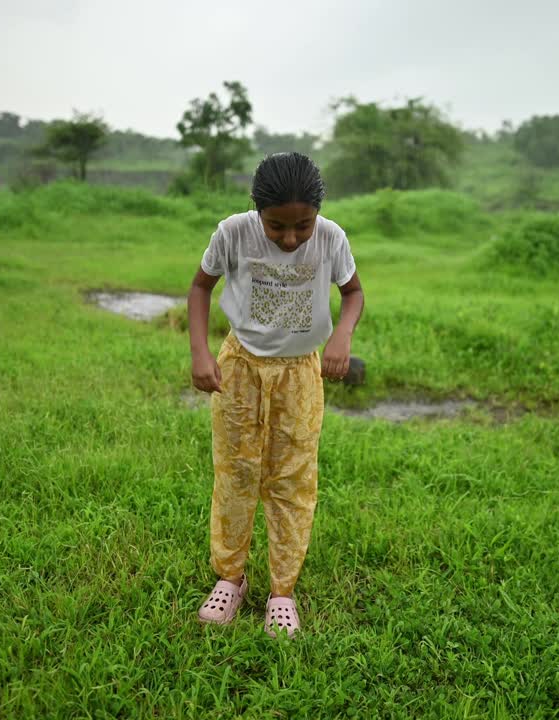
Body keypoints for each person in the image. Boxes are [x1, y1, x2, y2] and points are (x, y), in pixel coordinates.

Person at [188, 152, 364, 638]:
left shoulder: (331, 238)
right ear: (256, 211)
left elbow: (354, 294)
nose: (290, 239)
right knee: (236, 469)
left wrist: (342, 335)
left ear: (317, 214)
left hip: (300, 374)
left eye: (301, 226)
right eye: (277, 226)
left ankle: (282, 591)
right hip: (239, 368)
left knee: (292, 477)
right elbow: (201, 287)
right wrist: (201, 353)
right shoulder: (233, 232)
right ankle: (231, 577)